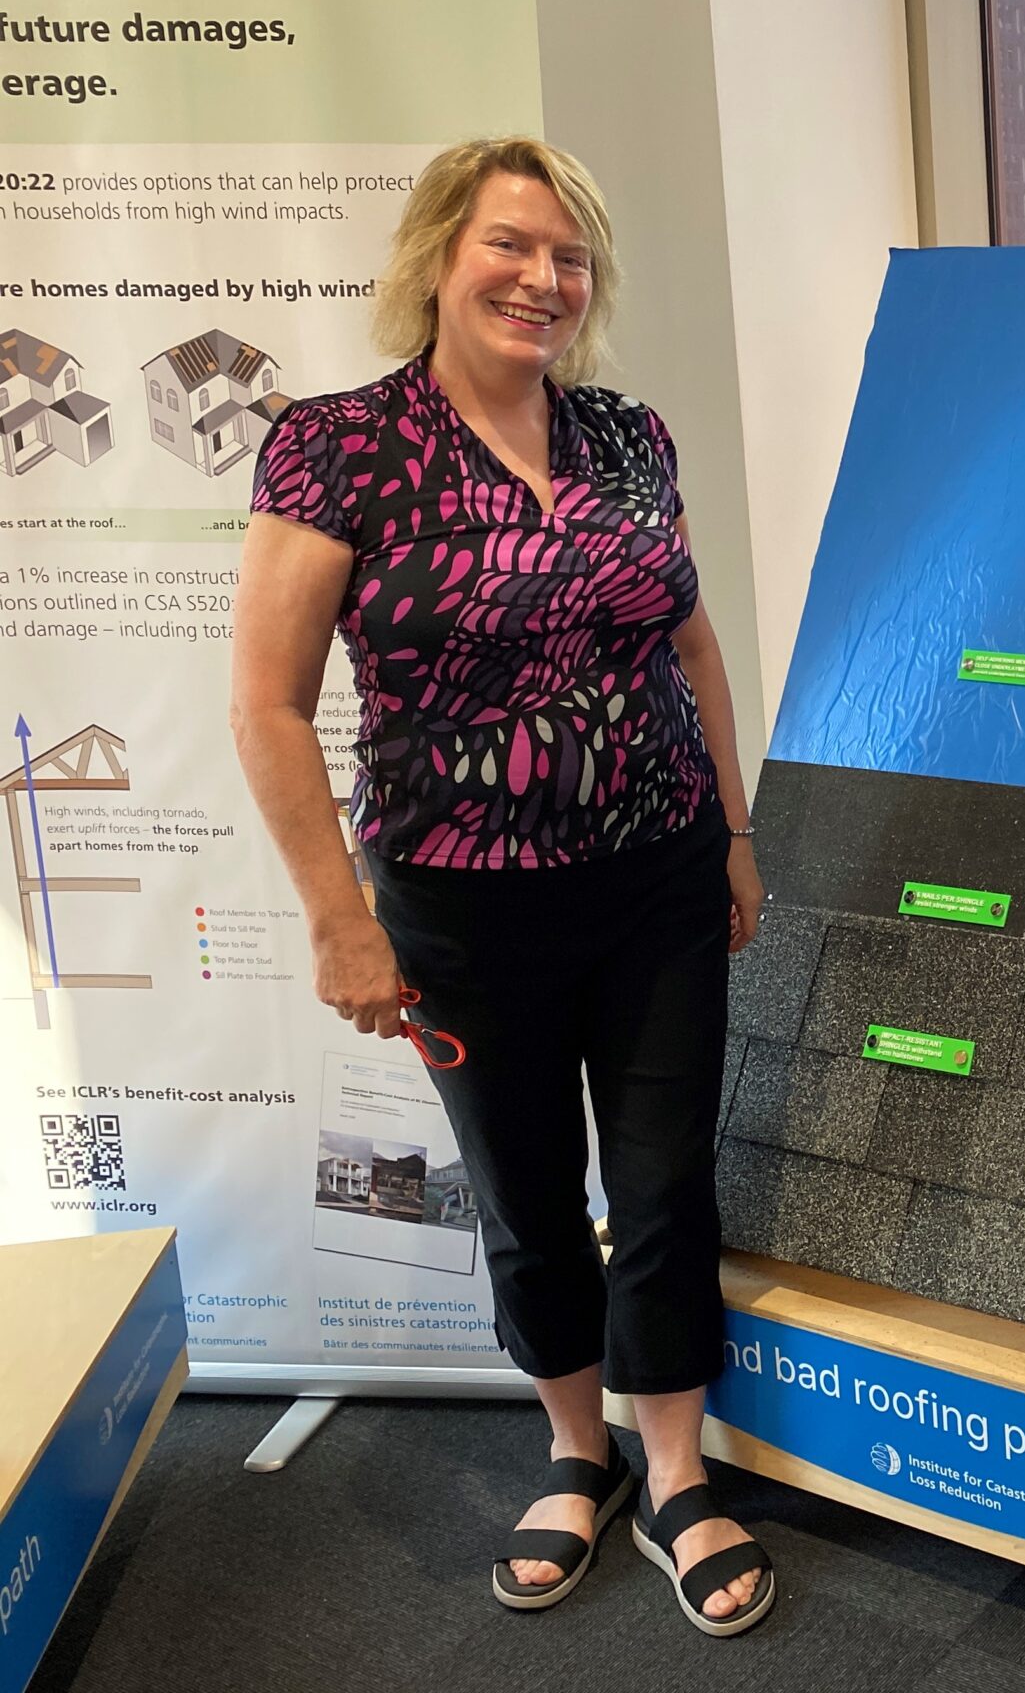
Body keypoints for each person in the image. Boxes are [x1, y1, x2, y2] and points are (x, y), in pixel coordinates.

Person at [232, 137, 777, 1637]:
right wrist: (340, 917)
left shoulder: (627, 435)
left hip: (659, 870)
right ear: (438, 257)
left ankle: (673, 1468)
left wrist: (732, 831)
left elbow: (690, 644)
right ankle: (572, 1447)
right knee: (531, 1193)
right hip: (463, 903)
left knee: (664, 1179)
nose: (544, 279)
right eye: (512, 246)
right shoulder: (337, 446)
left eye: (571, 256)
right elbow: (269, 704)